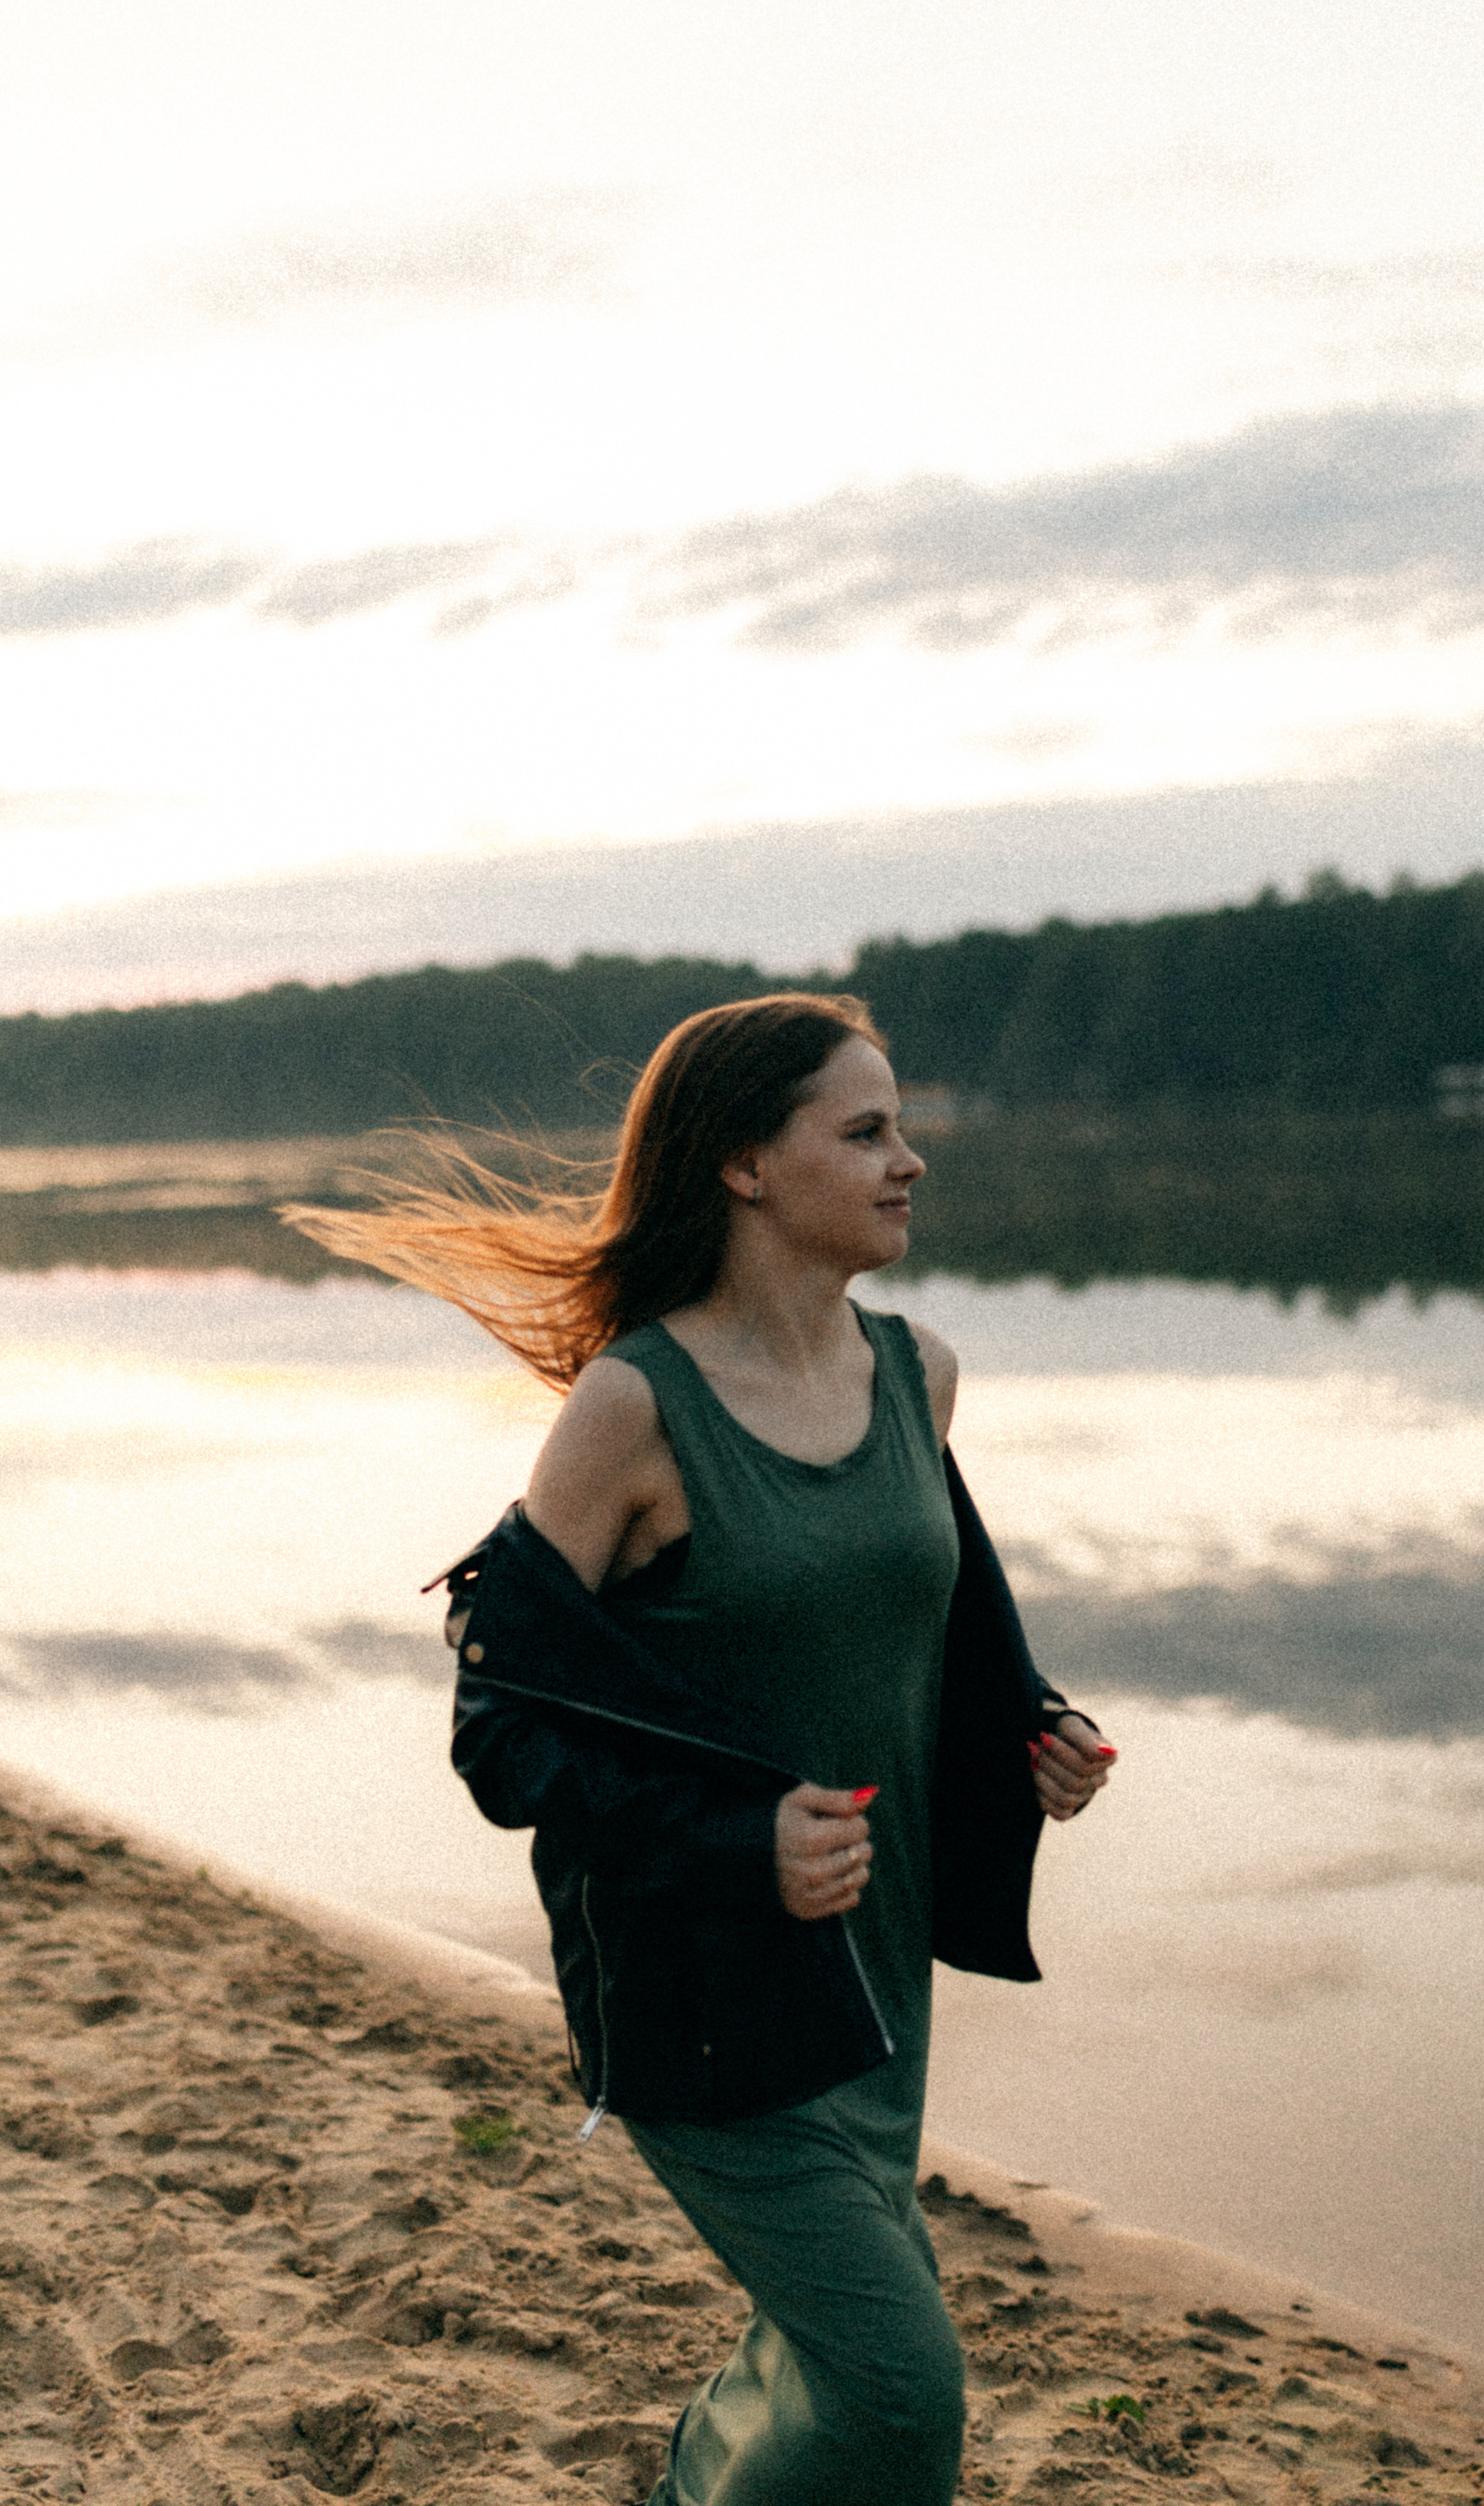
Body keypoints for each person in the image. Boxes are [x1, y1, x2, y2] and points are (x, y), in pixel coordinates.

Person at [284, 992, 1115, 2506]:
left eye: (900, 1127)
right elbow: (500, 1727)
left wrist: (1028, 1731)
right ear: (742, 1164)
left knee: (819, 2348)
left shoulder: (915, 1374)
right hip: (706, 1995)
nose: (907, 1161)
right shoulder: (632, 1414)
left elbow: (921, 1621)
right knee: (897, 2389)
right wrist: (742, 1844)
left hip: (876, 1970)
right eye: (862, 1131)